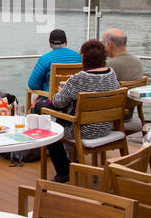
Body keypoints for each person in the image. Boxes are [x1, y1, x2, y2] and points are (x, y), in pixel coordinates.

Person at [44, 40, 120, 183]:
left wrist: (62, 90)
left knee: (46, 122)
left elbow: (58, 102)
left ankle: (63, 171)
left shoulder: (79, 78)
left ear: (83, 57)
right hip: (106, 127)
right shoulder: (112, 74)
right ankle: (70, 162)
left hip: (81, 131)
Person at [28, 29, 82, 93]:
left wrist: (46, 88)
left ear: (50, 44)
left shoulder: (45, 59)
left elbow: (33, 85)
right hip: (74, 99)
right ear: (66, 42)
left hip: (51, 99)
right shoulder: (78, 57)